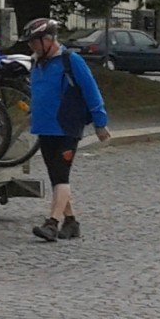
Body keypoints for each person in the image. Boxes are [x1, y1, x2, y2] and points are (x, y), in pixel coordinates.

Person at [23, 18, 111, 241]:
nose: (31, 47)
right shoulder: (37, 62)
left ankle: (52, 223)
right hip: (44, 127)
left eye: (34, 42)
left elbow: (92, 91)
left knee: (61, 175)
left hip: (67, 127)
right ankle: (71, 222)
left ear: (49, 39)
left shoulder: (71, 61)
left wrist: (100, 123)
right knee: (55, 176)